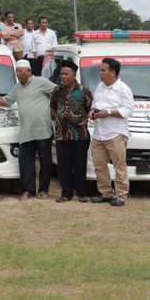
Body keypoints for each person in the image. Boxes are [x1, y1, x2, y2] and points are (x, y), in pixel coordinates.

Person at [0, 60, 57, 200]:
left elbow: (57, 92)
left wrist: (53, 108)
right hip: (26, 132)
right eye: (17, 71)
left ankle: (43, 190)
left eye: (22, 71)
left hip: (43, 130)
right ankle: (28, 190)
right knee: (25, 162)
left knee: (45, 162)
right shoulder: (17, 87)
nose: (19, 74)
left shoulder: (41, 81)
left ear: (29, 71)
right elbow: (7, 100)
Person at [88, 56, 133, 206]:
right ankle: (105, 193)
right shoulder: (99, 87)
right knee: (99, 165)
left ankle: (121, 195)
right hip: (99, 132)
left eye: (103, 70)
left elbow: (128, 110)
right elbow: (95, 104)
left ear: (113, 72)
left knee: (119, 165)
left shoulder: (123, 89)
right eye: (100, 70)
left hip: (115, 133)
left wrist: (107, 113)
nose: (100, 73)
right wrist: (92, 113)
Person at [51, 62, 92, 203]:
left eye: (66, 74)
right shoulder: (56, 91)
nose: (63, 76)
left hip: (80, 135)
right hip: (62, 135)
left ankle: (81, 193)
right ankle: (66, 193)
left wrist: (81, 120)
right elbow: (52, 108)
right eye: (61, 74)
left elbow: (89, 109)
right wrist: (58, 119)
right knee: (63, 166)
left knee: (80, 164)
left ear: (74, 75)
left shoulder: (83, 91)